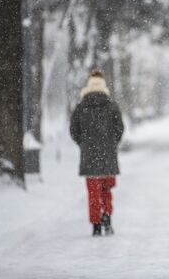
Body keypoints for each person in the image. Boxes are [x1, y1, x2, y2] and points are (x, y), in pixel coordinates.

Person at [70, 69, 124, 236]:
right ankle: (107, 219)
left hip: (90, 157)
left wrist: (84, 144)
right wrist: (111, 144)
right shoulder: (111, 105)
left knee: (93, 193)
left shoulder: (81, 107)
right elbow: (119, 129)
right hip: (108, 157)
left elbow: (74, 131)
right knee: (107, 190)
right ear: (103, 84)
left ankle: (95, 225)